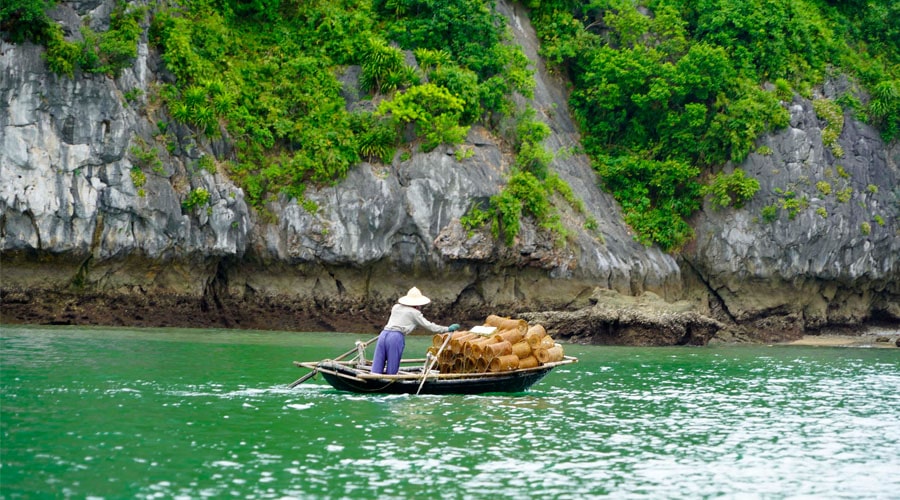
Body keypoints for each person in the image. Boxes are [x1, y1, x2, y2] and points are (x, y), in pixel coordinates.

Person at [371, 287, 459, 375]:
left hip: (383, 334)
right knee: (392, 366)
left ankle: (373, 377)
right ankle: (389, 382)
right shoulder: (414, 313)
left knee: (377, 365)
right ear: (417, 304)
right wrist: (447, 329)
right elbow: (430, 326)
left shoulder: (396, 307)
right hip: (395, 337)